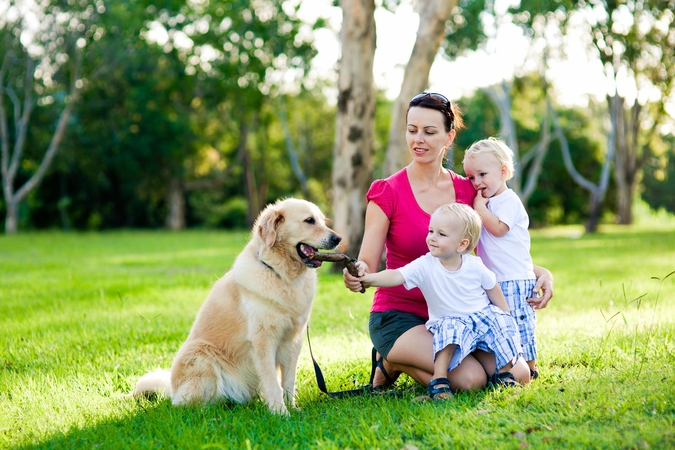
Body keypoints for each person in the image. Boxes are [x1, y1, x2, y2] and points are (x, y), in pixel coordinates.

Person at [343, 92, 553, 394]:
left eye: (429, 132)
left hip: (460, 315)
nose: (418, 139)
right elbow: (367, 261)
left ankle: (400, 362)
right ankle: (392, 358)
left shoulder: (468, 192)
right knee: (471, 381)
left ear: (449, 136)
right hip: (401, 315)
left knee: (517, 373)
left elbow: (486, 254)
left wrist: (540, 272)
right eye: (412, 129)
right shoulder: (386, 192)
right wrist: (357, 273)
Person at [357, 203, 529, 400]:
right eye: (431, 231)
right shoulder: (426, 264)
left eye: (441, 234)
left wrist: (504, 316)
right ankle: (439, 381)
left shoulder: (474, 265)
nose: (431, 238)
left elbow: (493, 288)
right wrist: (369, 279)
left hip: (479, 321)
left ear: (462, 244)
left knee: (521, 374)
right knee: (470, 376)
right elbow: (396, 276)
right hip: (451, 324)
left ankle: (504, 374)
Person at [463, 137, 542, 379]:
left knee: (520, 323)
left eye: (482, 174)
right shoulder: (487, 201)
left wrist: (480, 209)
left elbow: (498, 229)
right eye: (471, 177)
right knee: (502, 326)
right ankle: (510, 364)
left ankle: (530, 366)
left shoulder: (509, 200)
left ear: (503, 171)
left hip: (515, 279)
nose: (477, 182)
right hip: (496, 279)